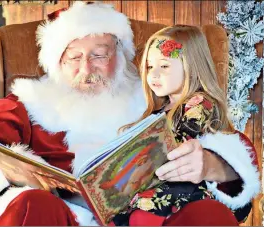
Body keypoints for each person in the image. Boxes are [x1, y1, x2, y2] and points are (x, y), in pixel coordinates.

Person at [0, 2, 259, 226]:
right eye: (74, 57)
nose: (86, 69)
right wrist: (16, 176)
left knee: (208, 216)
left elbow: (234, 144)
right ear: (58, 63)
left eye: (99, 55)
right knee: (30, 205)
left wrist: (213, 166)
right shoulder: (30, 102)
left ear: (119, 58)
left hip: (151, 217)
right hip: (65, 217)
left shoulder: (153, 95)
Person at [112, 25, 261, 226]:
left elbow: (176, 143)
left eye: (164, 66)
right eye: (149, 67)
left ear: (192, 67)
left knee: (142, 216)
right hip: (154, 184)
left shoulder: (199, 103)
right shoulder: (156, 111)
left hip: (182, 189)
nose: (153, 74)